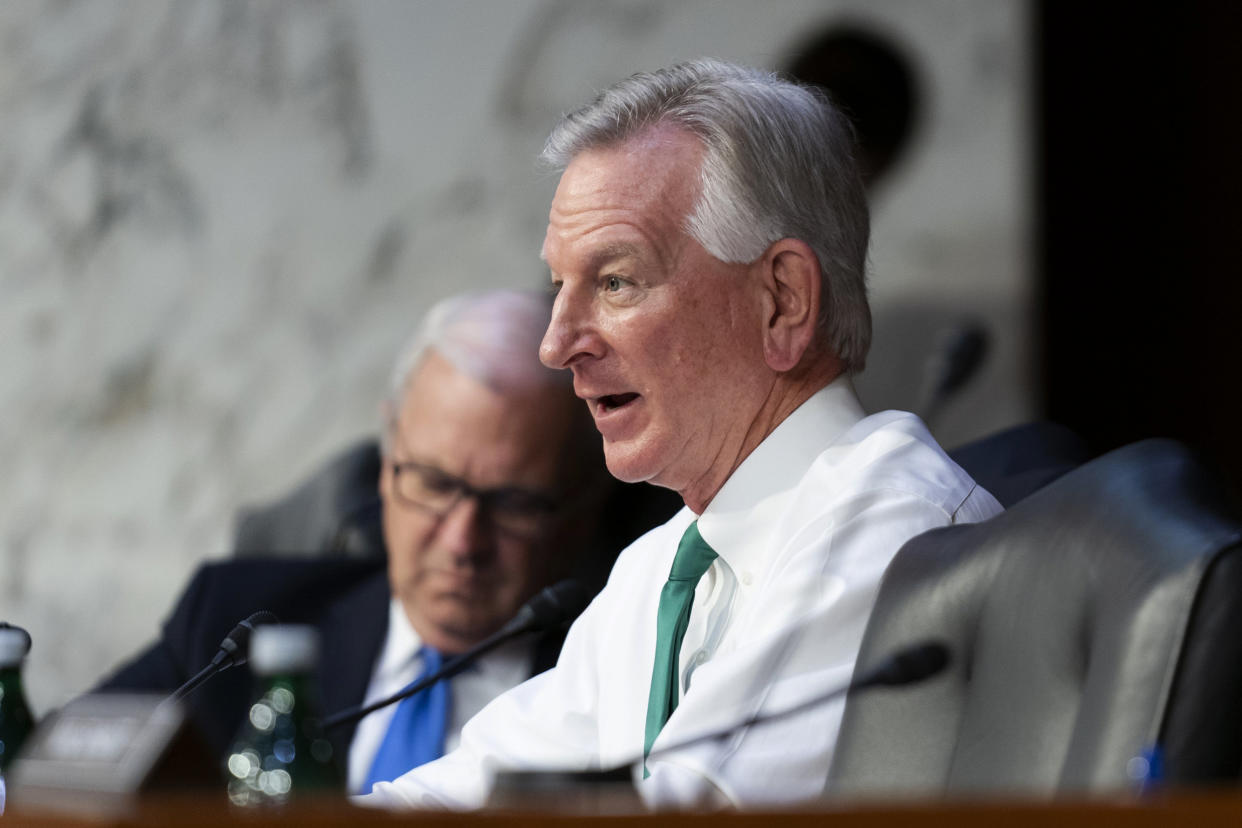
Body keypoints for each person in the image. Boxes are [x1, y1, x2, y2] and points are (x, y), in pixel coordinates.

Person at [363, 59, 1003, 811]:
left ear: (783, 301)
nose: (558, 342)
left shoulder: (889, 528)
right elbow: (473, 787)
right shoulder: (664, 564)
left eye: (615, 282)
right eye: (561, 286)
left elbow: (685, 811)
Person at [97, 290, 659, 793]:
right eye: (434, 484)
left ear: (584, 507)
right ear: (388, 463)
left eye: (512, 503)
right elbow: (46, 778)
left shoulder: (629, 676)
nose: (463, 541)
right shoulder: (232, 629)